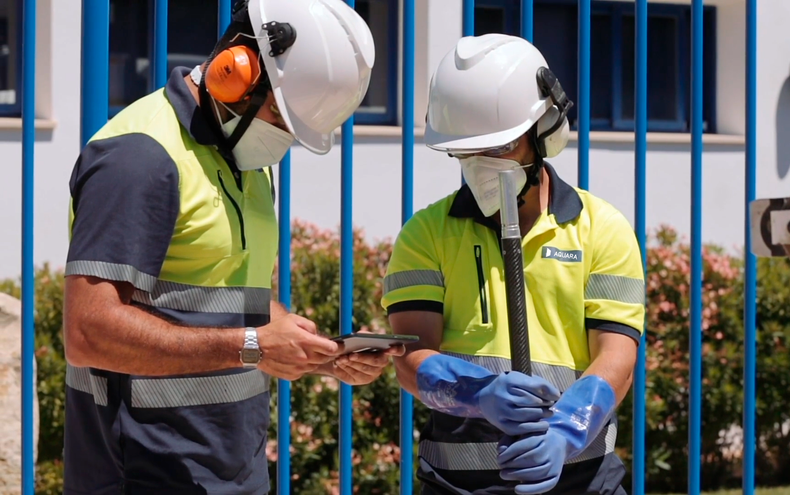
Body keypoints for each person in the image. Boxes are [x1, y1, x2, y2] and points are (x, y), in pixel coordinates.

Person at [62, 1, 402, 493]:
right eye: (281, 118)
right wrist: (252, 347)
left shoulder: (246, 158)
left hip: (232, 472)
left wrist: (312, 351)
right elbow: (88, 332)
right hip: (140, 475)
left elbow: (229, 297)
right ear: (236, 69)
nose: (285, 137)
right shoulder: (139, 159)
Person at [382, 34, 646, 495]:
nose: (482, 165)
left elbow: (618, 357)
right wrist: (477, 393)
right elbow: (410, 356)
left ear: (543, 132)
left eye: (499, 147)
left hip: (581, 479)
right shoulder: (425, 234)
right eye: (466, 151)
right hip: (456, 485)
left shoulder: (603, 228)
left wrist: (565, 434)